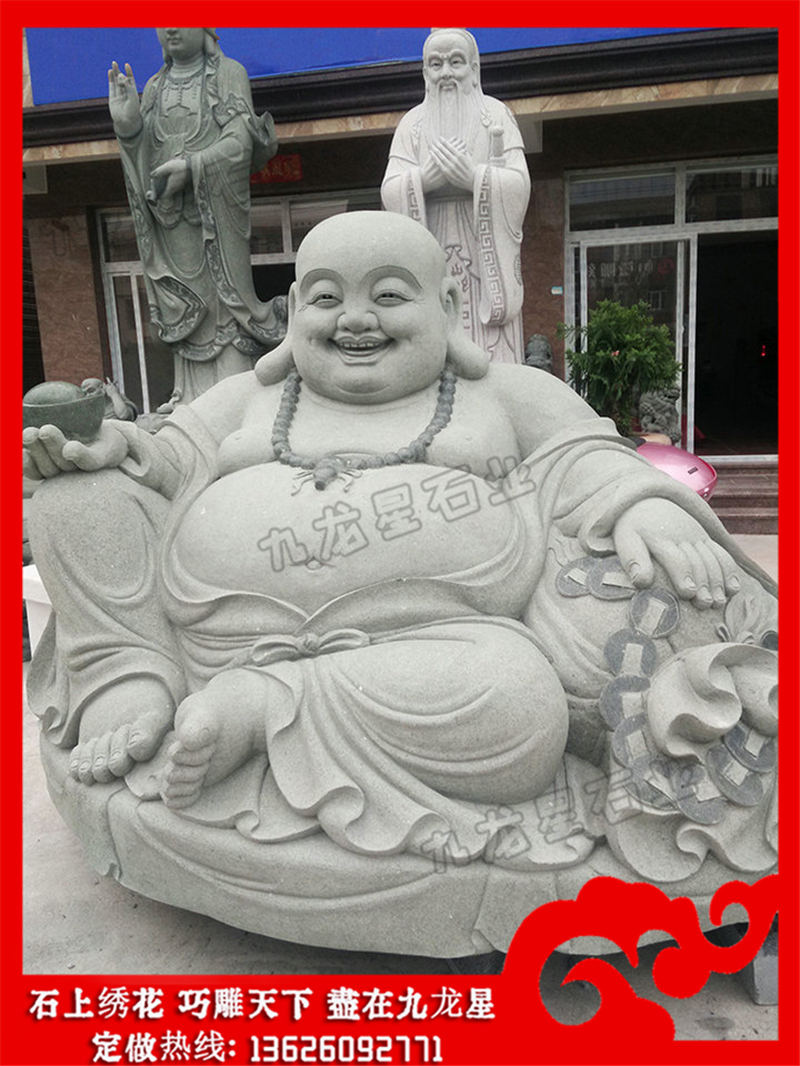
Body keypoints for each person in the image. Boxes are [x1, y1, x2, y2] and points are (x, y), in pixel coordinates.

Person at [24, 211, 777, 881]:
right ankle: (128, 673)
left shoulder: (503, 393)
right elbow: (166, 455)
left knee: (519, 704)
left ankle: (267, 708)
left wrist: (643, 502)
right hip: (212, 633)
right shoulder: (249, 397)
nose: (355, 320)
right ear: (293, 313)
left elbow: (589, 454)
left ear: (445, 308)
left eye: (388, 295)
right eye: (326, 298)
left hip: (433, 652)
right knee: (76, 499)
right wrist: (116, 448)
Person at [109, 28, 286, 410]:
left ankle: (235, 392)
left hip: (217, 213)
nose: (171, 28)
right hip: (173, 219)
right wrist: (129, 128)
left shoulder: (228, 73)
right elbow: (146, 156)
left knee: (224, 304)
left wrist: (192, 166)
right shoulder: (154, 86)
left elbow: (240, 143)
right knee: (184, 302)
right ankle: (188, 396)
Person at [382, 29, 530, 364]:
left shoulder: (496, 115)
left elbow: (519, 182)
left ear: (474, 69)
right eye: (436, 64)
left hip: (483, 243)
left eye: (456, 62)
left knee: (489, 344)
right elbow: (391, 187)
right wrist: (423, 180)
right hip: (431, 235)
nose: (446, 73)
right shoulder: (411, 124)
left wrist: (475, 177)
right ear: (425, 73)